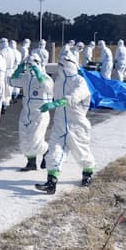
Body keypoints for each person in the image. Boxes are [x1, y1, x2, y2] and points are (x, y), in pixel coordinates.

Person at [35, 52, 94, 195]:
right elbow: (49, 87)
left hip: (77, 124)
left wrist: (54, 104)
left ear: (72, 64)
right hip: (60, 123)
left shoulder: (80, 82)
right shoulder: (59, 81)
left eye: (65, 63)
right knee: (54, 152)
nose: (61, 67)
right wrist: (39, 75)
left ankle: (87, 173)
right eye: (60, 64)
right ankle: (51, 183)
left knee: (81, 152)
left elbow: (74, 97)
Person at [9, 53, 53, 171]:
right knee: (24, 139)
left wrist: (39, 74)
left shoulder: (45, 77)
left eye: (32, 65)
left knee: (35, 140)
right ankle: (31, 163)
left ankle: (47, 152)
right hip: (26, 112)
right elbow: (12, 82)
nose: (30, 67)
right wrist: (18, 70)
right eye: (28, 65)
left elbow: (47, 87)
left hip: (40, 113)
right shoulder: (26, 78)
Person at [0, 38, 17, 113]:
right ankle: (6, 103)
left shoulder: (1, 52)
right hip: (11, 71)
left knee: (3, 88)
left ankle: (3, 105)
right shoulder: (12, 51)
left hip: (3, 72)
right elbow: (16, 61)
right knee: (9, 88)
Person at [9, 39, 22, 103]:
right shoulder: (18, 53)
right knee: (16, 85)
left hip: (9, 70)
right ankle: (15, 96)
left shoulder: (8, 52)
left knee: (9, 84)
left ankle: (9, 98)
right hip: (16, 70)